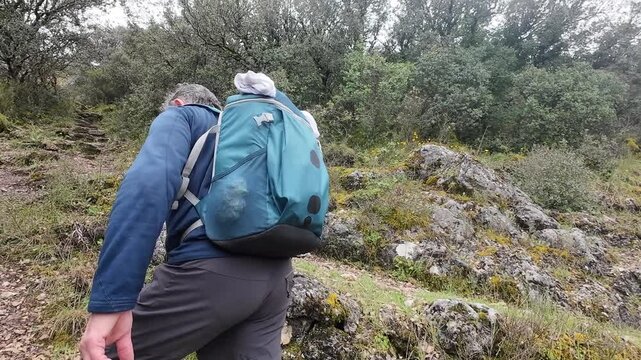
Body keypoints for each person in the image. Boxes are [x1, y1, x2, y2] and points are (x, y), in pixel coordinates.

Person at [79, 83, 294, 360]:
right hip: (279, 277)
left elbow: (148, 187)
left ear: (178, 103)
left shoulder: (183, 116)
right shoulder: (255, 132)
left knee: (106, 353)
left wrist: (112, 300)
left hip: (210, 273)